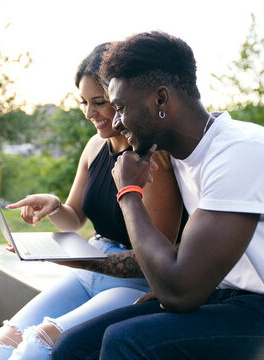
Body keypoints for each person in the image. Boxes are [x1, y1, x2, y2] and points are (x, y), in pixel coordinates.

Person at [52, 31, 264, 360]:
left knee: (126, 341)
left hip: (255, 307)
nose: (117, 122)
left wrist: (129, 193)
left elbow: (180, 293)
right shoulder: (176, 153)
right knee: (73, 347)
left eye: (120, 107)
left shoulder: (238, 151)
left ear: (160, 100)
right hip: (222, 293)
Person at [0, 43, 185, 360]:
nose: (89, 113)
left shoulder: (154, 160)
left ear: (123, 100)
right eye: (83, 102)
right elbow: (75, 217)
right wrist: (54, 206)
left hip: (132, 281)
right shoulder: (95, 146)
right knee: (2, 343)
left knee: (36, 350)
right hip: (90, 266)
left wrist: (66, 258)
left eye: (100, 102)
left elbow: (156, 259)